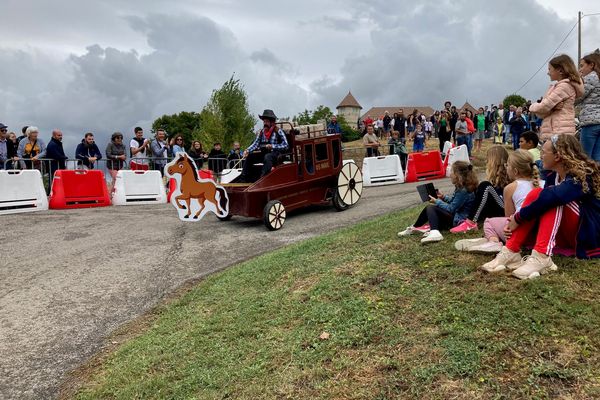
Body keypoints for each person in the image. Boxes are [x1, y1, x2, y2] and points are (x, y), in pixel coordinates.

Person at [480, 135, 600, 278]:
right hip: (565, 235)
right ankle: (511, 250)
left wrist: (518, 218)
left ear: (558, 156)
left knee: (550, 197)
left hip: (588, 236)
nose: (540, 155)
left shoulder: (582, 176)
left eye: (543, 152)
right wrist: (515, 221)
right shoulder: (551, 176)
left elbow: (554, 198)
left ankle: (542, 256)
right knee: (539, 193)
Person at [455, 150, 539, 253]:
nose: (486, 161)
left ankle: (491, 240)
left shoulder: (511, 186)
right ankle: (488, 238)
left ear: (515, 171)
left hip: (520, 230)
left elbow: (509, 217)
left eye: (507, 165)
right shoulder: (540, 183)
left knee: (489, 222)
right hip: (537, 232)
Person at [397, 161, 477, 243]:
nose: (450, 175)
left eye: (452, 172)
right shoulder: (462, 187)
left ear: (458, 175)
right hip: (456, 216)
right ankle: (414, 227)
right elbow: (455, 203)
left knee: (431, 208)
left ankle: (435, 232)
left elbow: (451, 209)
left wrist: (437, 201)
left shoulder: (463, 191)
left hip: (458, 220)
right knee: (429, 209)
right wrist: (443, 197)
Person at [450, 145, 510, 233]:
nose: (486, 161)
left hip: (505, 208)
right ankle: (464, 217)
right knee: (480, 189)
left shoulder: (508, 173)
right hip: (497, 207)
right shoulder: (495, 176)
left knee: (485, 186)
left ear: (494, 160)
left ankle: (470, 222)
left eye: (488, 158)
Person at [529, 54, 584, 141]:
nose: (548, 72)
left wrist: (532, 106)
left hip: (558, 133)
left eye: (550, 69)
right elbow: (541, 113)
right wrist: (551, 108)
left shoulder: (563, 87)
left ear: (560, 71)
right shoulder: (559, 87)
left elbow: (543, 107)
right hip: (557, 131)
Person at [239, 109, 289, 182]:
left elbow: (286, 145)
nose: (265, 123)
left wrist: (273, 146)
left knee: (267, 157)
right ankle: (243, 179)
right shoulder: (262, 132)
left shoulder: (278, 131)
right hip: (265, 153)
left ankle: (262, 179)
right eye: (264, 121)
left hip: (276, 155)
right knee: (250, 156)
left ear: (272, 122)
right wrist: (247, 150)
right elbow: (255, 143)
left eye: (267, 121)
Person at [575, 52, 600, 161]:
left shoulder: (591, 77)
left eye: (582, 65)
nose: (580, 69)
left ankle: (586, 178)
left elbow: (579, 96)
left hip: (590, 121)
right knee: (597, 157)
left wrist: (578, 80)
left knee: (585, 157)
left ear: (591, 65)